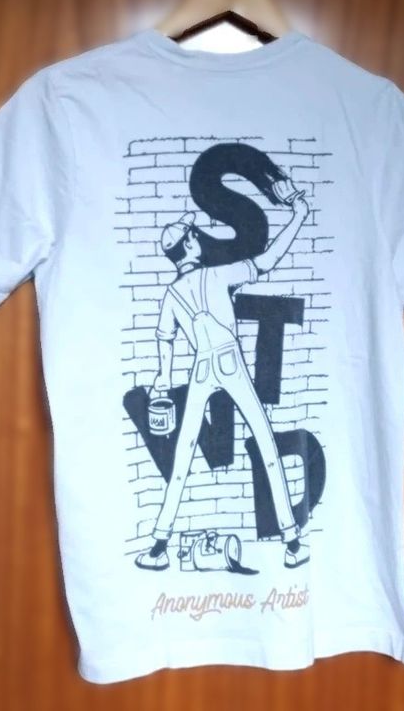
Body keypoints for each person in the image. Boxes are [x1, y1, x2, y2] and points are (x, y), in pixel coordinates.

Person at [136, 181, 310, 571]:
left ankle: (158, 547)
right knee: (265, 443)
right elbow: (267, 260)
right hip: (229, 360)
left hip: (201, 366)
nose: (198, 237)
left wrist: (163, 377)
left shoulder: (172, 294)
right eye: (194, 235)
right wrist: (299, 215)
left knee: (183, 453)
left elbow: (164, 338)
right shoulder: (217, 276)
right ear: (190, 244)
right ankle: (292, 542)